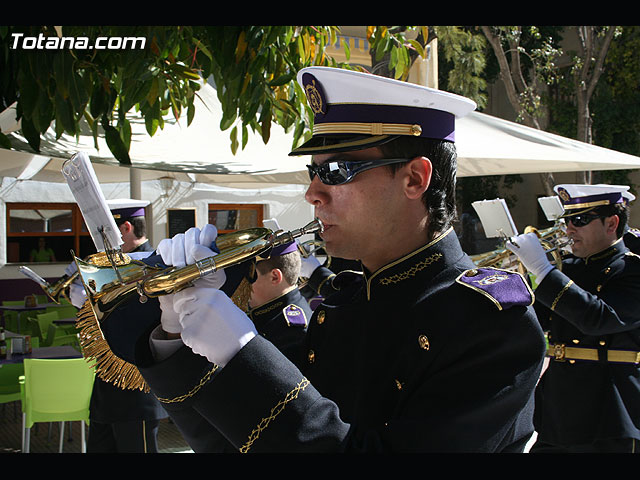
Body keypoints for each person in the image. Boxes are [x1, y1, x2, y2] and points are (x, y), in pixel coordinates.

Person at [116, 67, 547, 453]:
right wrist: (175, 335)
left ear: (415, 178)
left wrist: (241, 354)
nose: (313, 193)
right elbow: (229, 442)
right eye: (313, 172)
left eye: (338, 171)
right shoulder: (343, 305)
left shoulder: (493, 327)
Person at [506, 183, 640, 453]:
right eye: (567, 221)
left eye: (580, 220)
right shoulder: (567, 268)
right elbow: (536, 321)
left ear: (612, 223)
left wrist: (543, 271)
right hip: (558, 407)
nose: (569, 229)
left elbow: (599, 319)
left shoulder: (632, 269)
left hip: (610, 411)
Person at [67, 199, 169, 453]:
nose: (99, 242)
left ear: (125, 228)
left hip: (136, 388)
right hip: (106, 383)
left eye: (103, 233)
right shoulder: (111, 265)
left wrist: (86, 292)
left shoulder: (154, 263)